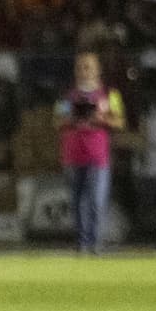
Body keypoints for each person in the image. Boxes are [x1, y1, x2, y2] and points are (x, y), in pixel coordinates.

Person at [53, 51, 125, 253]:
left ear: (97, 70)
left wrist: (101, 119)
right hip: (73, 155)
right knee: (77, 202)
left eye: (88, 67)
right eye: (81, 67)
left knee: (97, 201)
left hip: (98, 156)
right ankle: (82, 243)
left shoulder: (110, 94)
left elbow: (119, 121)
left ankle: (96, 242)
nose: (84, 71)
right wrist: (73, 118)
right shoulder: (67, 95)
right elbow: (57, 121)